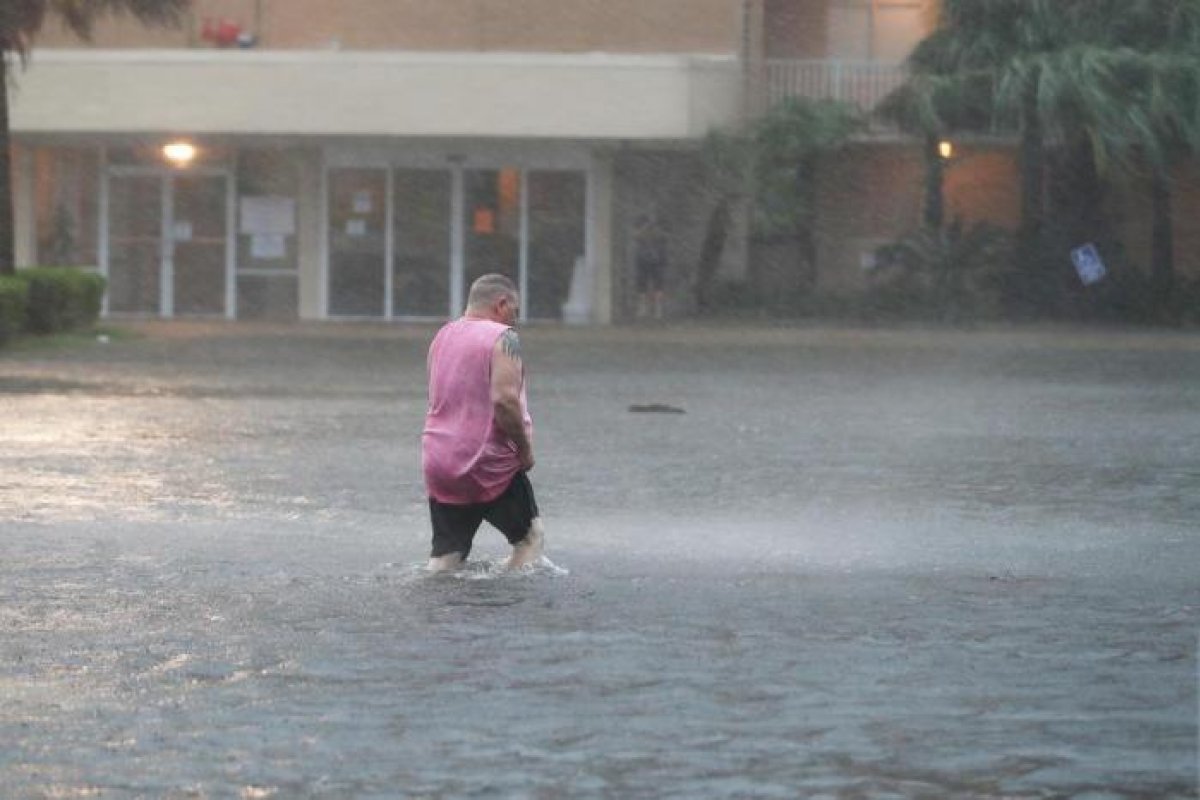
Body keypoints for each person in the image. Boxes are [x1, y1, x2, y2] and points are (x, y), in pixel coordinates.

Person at [421, 273, 545, 572]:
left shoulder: (443, 336)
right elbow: (504, 401)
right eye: (515, 309)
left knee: (447, 557)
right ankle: (511, 603)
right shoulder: (504, 337)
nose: (516, 318)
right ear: (501, 303)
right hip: (487, 462)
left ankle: (439, 610)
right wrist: (524, 451)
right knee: (530, 539)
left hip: (439, 461)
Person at [634, 213, 668, 319]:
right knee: (646, 286)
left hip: (652, 262)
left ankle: (655, 309)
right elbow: (637, 237)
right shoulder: (645, 234)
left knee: (655, 286)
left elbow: (663, 241)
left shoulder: (657, 234)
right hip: (648, 262)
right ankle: (647, 309)